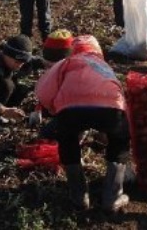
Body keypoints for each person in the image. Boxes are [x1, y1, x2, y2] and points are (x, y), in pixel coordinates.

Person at [35, 35, 130, 212]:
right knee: (119, 142)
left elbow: (43, 91)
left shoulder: (67, 62)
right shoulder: (105, 66)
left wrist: (54, 113)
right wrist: (113, 130)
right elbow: (119, 95)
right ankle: (112, 197)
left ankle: (79, 197)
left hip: (71, 110)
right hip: (111, 108)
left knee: (68, 141)